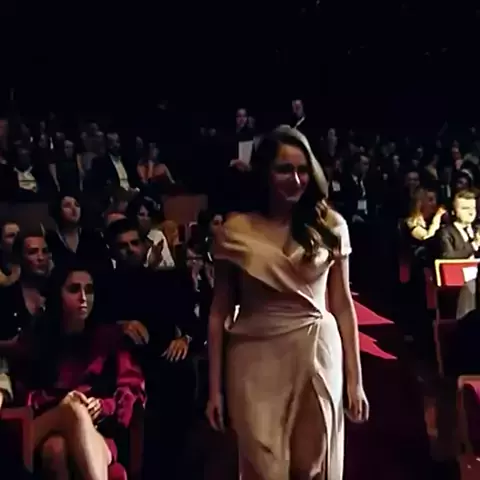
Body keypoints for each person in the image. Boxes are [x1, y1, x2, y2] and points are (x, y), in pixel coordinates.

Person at [206, 125, 369, 480]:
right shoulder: (234, 231)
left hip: (317, 351)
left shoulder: (330, 226)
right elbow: (219, 311)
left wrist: (355, 381)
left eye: (302, 170)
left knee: (309, 466)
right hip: (253, 356)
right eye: (284, 169)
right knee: (263, 464)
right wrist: (214, 389)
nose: (295, 179)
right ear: (264, 172)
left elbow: (343, 305)